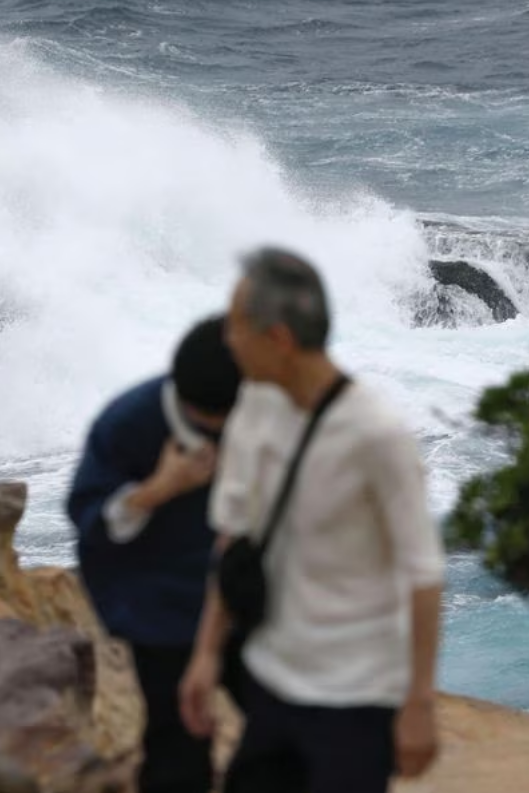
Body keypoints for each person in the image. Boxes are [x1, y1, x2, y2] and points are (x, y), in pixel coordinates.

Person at [179, 248, 445, 793]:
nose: (227, 339)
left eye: (236, 326)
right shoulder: (253, 406)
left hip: (357, 700)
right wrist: (206, 654)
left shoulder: (375, 435)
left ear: (277, 338)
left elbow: (424, 572)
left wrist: (418, 702)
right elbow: (233, 536)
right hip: (272, 681)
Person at [67, 315, 243, 793]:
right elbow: (92, 525)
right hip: (155, 600)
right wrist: (160, 488)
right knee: (180, 746)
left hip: (243, 589)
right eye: (209, 425)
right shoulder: (129, 422)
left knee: (287, 723)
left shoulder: (262, 409)